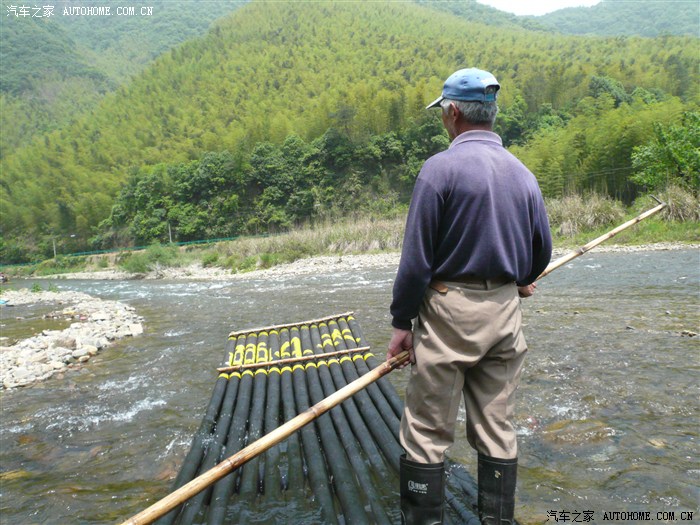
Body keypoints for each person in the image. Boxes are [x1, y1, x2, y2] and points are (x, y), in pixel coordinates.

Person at [386, 68, 552, 525]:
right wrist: (518, 279)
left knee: (425, 430)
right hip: (504, 311)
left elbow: (416, 263)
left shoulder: (439, 170)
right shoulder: (523, 173)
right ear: (492, 113)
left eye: (443, 110)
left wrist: (402, 325)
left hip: (447, 314)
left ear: (453, 112)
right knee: (498, 427)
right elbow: (542, 251)